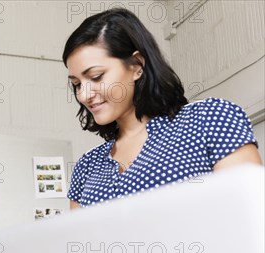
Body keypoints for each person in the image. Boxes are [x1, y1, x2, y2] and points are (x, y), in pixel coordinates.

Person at [62, 8, 262, 209]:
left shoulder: (210, 119)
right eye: (77, 84)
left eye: (96, 77)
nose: (84, 94)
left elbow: (252, 214)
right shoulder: (86, 166)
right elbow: (77, 238)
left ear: (136, 65)